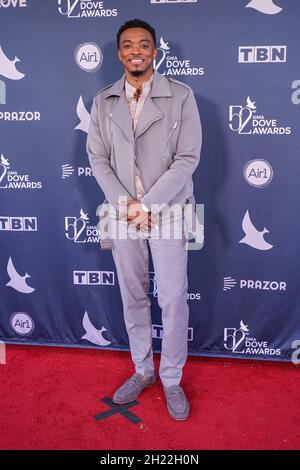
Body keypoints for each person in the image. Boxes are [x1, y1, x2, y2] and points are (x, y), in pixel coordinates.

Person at [87, 18, 202, 421]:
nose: (136, 50)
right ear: (119, 53)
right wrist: (126, 203)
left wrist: (148, 204)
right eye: (128, 45)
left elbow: (188, 158)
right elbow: (97, 158)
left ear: (154, 51)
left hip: (166, 210)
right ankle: (143, 370)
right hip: (121, 214)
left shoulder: (182, 97)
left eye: (144, 44)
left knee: (171, 297)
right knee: (133, 295)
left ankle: (171, 378)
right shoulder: (103, 101)